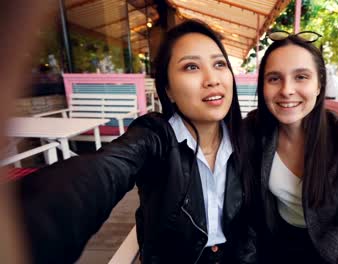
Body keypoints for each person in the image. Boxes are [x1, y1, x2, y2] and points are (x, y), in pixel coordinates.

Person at [17, 20, 255, 264]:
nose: (212, 79)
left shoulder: (246, 139)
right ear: (168, 90)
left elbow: (250, 226)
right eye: (191, 66)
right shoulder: (154, 136)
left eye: (219, 64)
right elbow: (105, 168)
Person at [243, 32, 338, 263]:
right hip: (276, 245)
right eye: (274, 78)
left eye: (301, 77)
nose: (286, 90)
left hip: (335, 250)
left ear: (319, 85)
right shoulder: (254, 130)